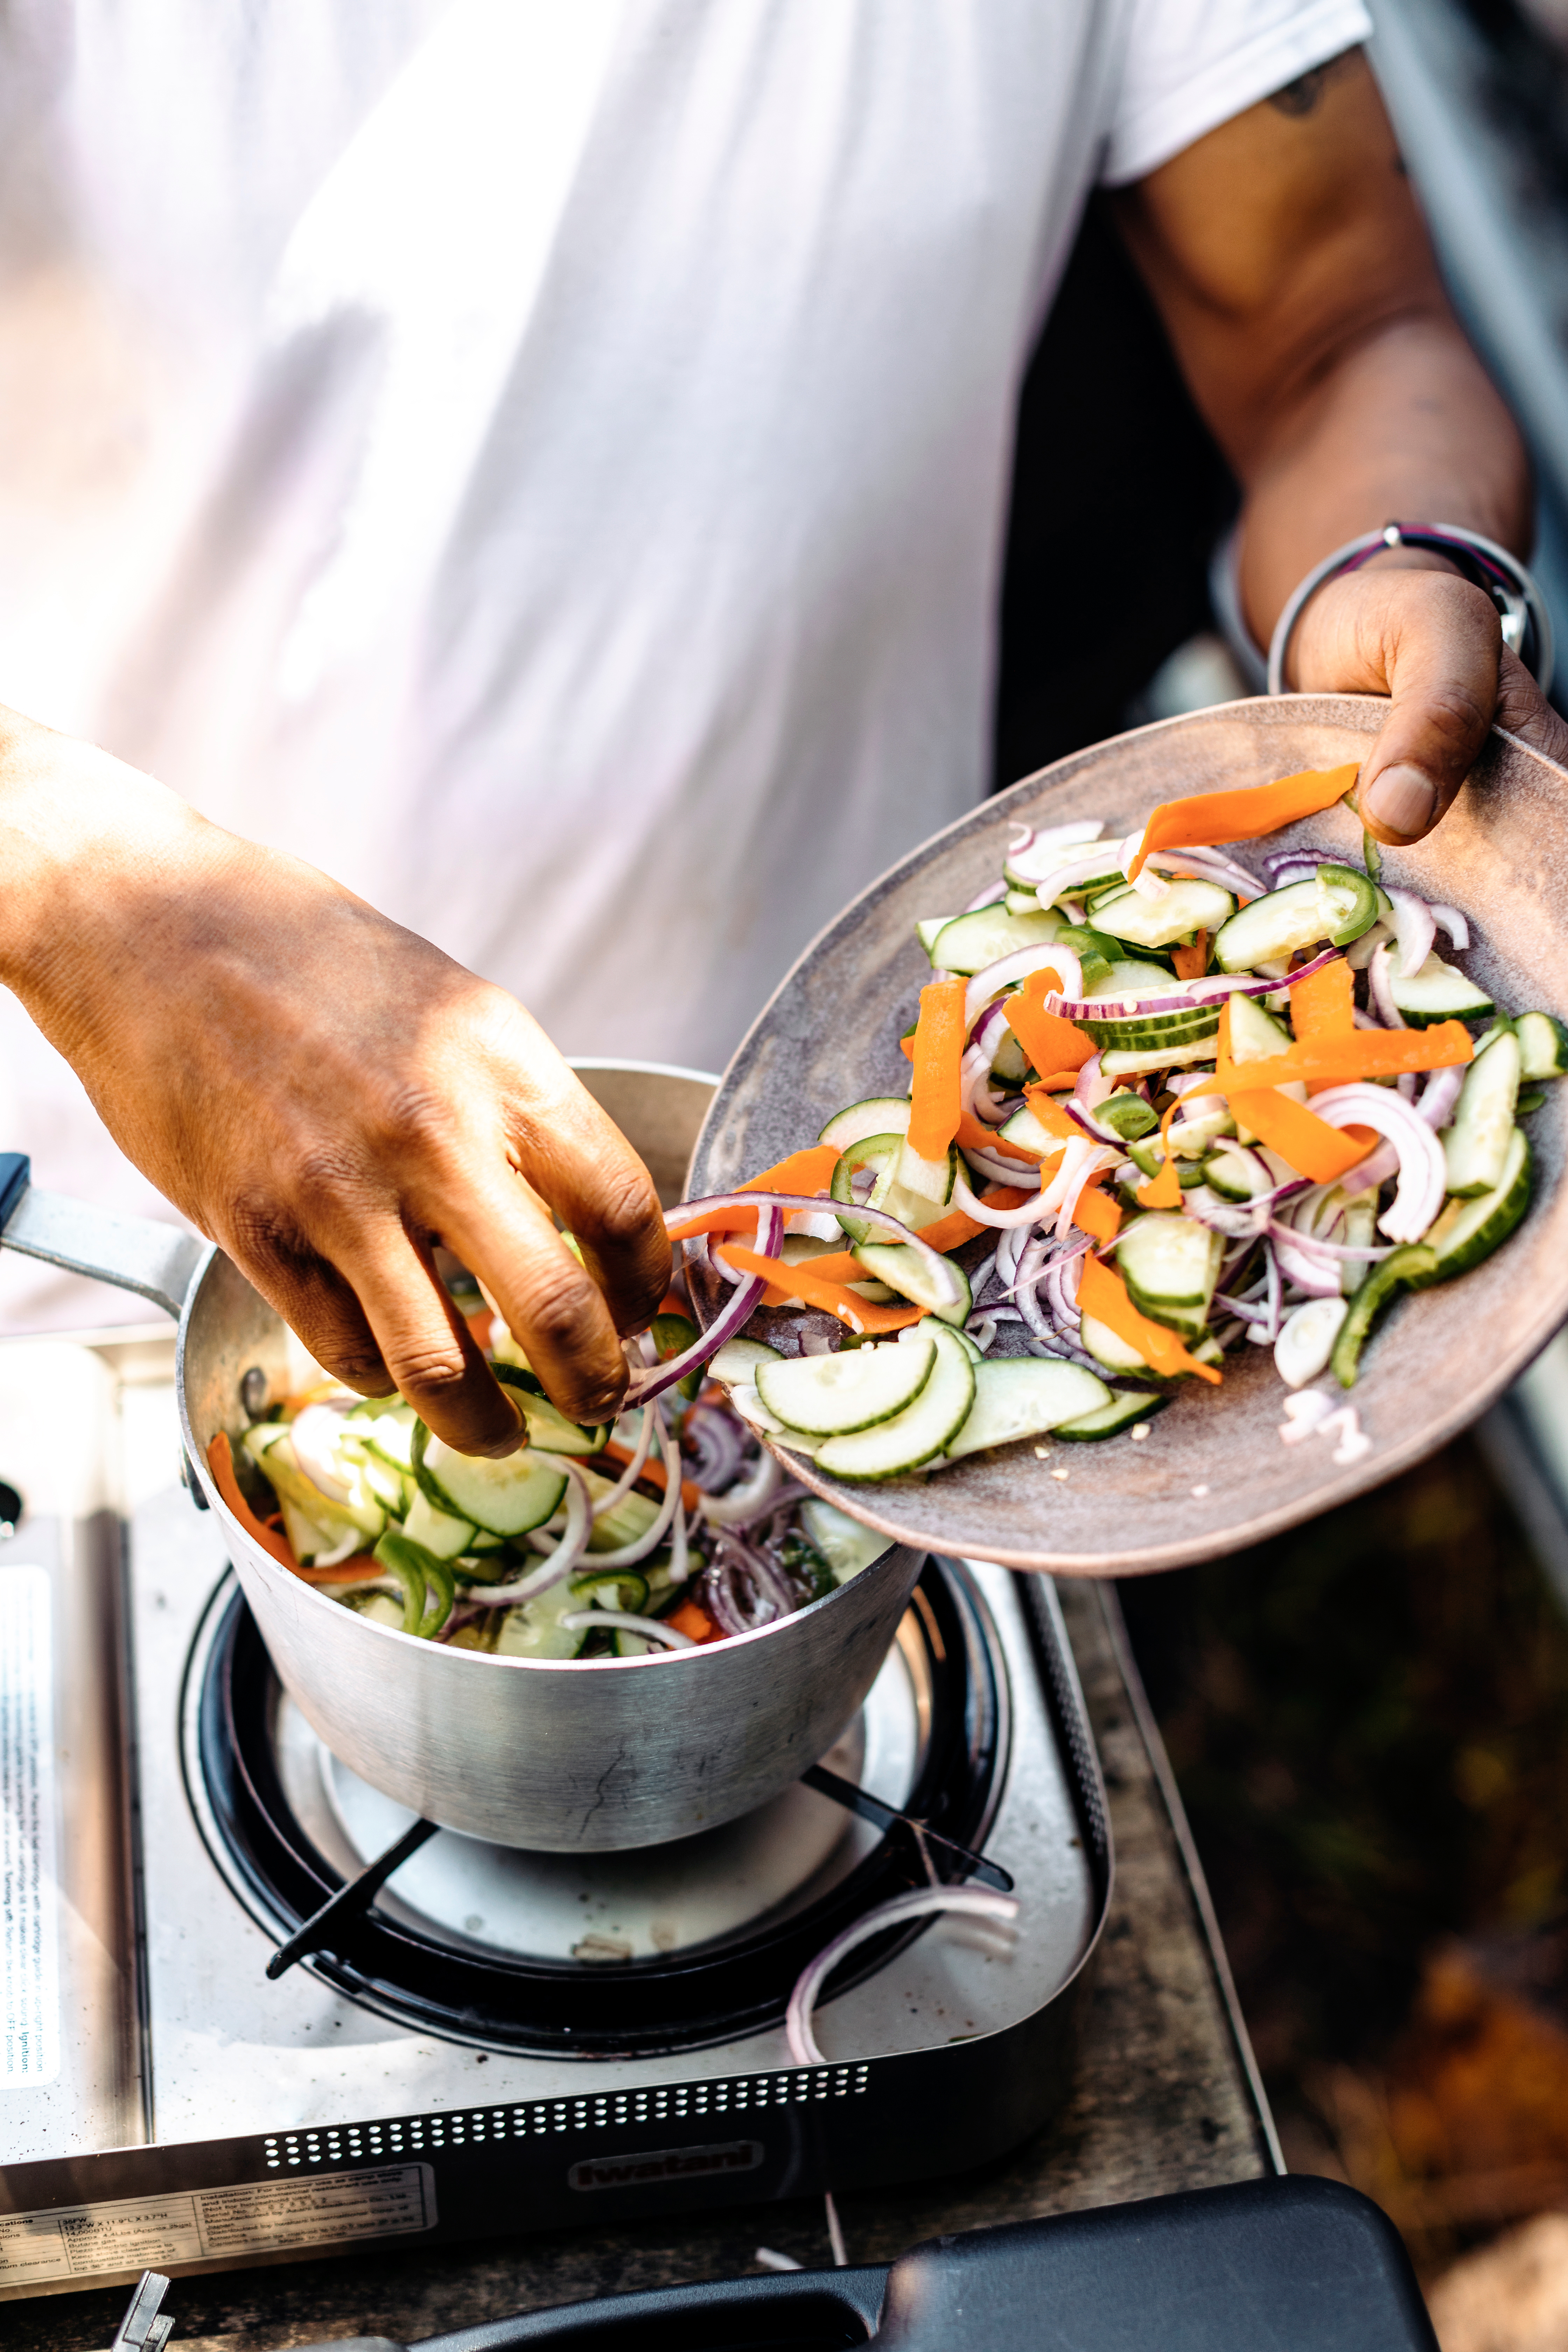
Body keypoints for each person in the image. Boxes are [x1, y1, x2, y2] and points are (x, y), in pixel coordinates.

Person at [0, 4, 1563, 1454]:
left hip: (858, 1294)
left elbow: (1332, 330)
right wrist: (91, 894)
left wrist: (1393, 568)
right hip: (88, 1310)